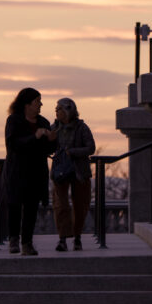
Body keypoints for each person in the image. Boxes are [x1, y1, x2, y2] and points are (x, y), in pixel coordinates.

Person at [2, 87, 57, 256]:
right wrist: (35, 137)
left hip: (36, 172)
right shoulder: (14, 120)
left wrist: (52, 140)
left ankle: (27, 243)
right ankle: (13, 239)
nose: (40, 104)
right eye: (37, 101)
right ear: (27, 104)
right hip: (17, 172)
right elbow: (13, 144)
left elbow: (48, 149)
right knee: (14, 206)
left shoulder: (43, 122)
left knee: (32, 208)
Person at [50, 97, 95, 252]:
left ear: (68, 111)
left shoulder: (82, 128)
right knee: (60, 205)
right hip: (60, 172)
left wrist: (72, 152)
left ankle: (77, 238)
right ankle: (62, 238)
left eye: (59, 109)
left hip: (79, 171)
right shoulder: (54, 128)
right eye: (56, 109)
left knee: (80, 205)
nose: (56, 111)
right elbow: (48, 147)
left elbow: (91, 148)